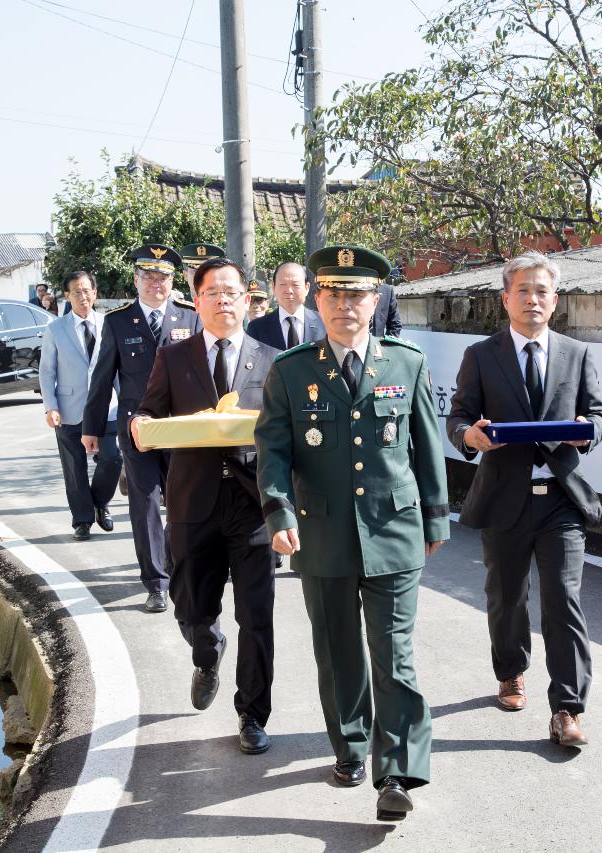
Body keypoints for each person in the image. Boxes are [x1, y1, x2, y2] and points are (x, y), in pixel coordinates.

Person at [255, 244, 449, 822]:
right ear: (317, 299)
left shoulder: (406, 363)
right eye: (334, 294)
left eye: (358, 294)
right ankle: (351, 746)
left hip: (394, 529)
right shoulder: (291, 371)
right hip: (322, 533)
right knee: (338, 651)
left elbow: (426, 445)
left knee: (395, 654)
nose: (346, 306)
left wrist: (436, 517)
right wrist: (279, 514)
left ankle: (398, 774)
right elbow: (274, 451)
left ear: (377, 300)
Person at [445, 250, 602, 748]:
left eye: (542, 291)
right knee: (506, 597)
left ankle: (567, 708)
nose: (533, 299)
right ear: (505, 299)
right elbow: (458, 417)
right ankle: (511, 671)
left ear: (554, 301)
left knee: (564, 600)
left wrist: (588, 431)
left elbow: (600, 415)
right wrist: (469, 437)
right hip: (504, 497)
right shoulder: (481, 355)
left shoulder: (577, 354)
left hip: (560, 498)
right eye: (524, 291)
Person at [130, 257, 278, 755]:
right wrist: (141, 427)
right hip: (192, 499)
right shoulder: (175, 357)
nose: (223, 300)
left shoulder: (273, 360)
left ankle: (253, 714)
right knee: (191, 602)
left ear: (248, 299)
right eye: (212, 292)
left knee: (257, 613)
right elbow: (150, 410)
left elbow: (285, 434)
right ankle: (207, 651)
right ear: (196, 302)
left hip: (252, 503)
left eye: (232, 291)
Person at [83, 244, 201, 613]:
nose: (156, 283)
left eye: (163, 277)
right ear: (136, 280)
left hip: (180, 427)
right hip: (138, 428)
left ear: (172, 282)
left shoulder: (190, 318)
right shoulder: (118, 321)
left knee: (181, 500)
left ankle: (172, 558)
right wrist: (91, 427)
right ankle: (155, 583)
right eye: (148, 276)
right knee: (146, 501)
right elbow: (102, 378)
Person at [40, 271, 121, 540]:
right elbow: (47, 371)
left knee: (112, 459)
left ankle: (100, 502)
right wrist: (50, 406)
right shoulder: (55, 329)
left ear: (95, 293)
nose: (83, 296)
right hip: (68, 409)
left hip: (107, 408)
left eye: (87, 290)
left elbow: (120, 370)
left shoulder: (110, 324)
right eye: (76, 291)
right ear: (67, 295)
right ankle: (82, 519)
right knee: (74, 468)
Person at [247, 261, 325, 352]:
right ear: (273, 287)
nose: (289, 290)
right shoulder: (257, 327)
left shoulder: (324, 322)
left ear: (307, 288)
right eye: (283, 284)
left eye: (295, 284)